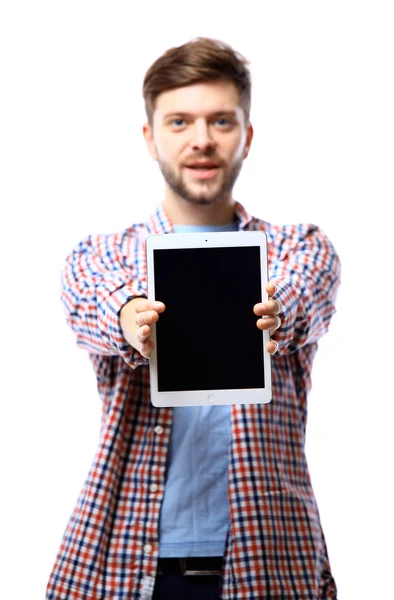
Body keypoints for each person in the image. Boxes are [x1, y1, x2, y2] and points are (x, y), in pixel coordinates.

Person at [46, 37, 341, 600]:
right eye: (179, 121)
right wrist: (133, 319)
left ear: (247, 136)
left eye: (221, 121)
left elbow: (305, 298)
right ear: (149, 137)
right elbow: (92, 301)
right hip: (125, 565)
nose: (201, 140)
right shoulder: (103, 253)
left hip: (271, 563)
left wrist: (277, 315)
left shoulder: (298, 247)